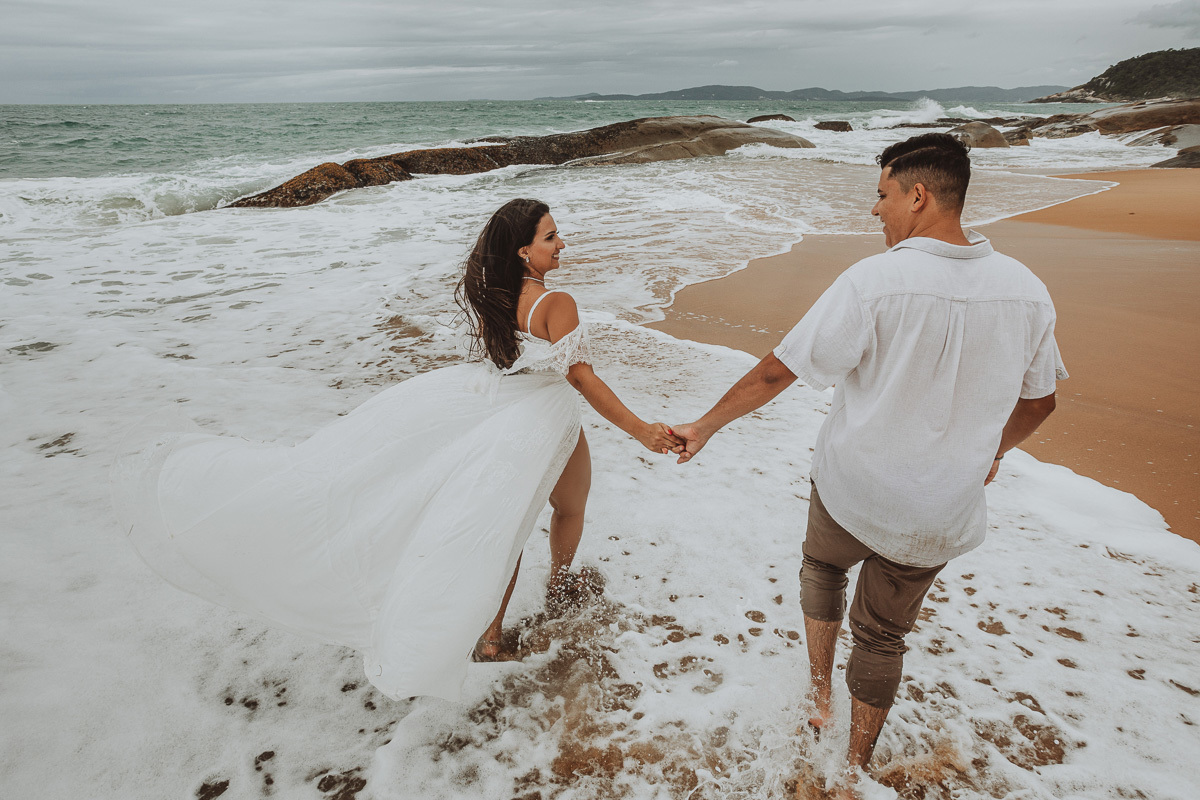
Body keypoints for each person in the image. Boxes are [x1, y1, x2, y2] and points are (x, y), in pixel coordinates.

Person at [112, 198, 682, 702]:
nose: (562, 244)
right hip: (537, 417)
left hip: (507, 408)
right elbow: (579, 377)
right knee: (538, 517)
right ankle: (524, 614)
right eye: (550, 236)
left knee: (530, 514)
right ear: (522, 252)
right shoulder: (557, 303)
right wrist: (640, 429)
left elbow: (512, 363)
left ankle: (520, 613)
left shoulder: (496, 296)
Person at [671, 134, 1066, 794]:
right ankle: (855, 769)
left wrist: (703, 426)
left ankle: (820, 693)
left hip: (855, 486)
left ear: (918, 195)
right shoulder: (1026, 290)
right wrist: (992, 451)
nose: (874, 211)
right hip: (941, 507)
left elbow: (779, 371)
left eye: (882, 196)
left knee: (823, 566)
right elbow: (1042, 401)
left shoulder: (874, 281)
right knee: (883, 637)